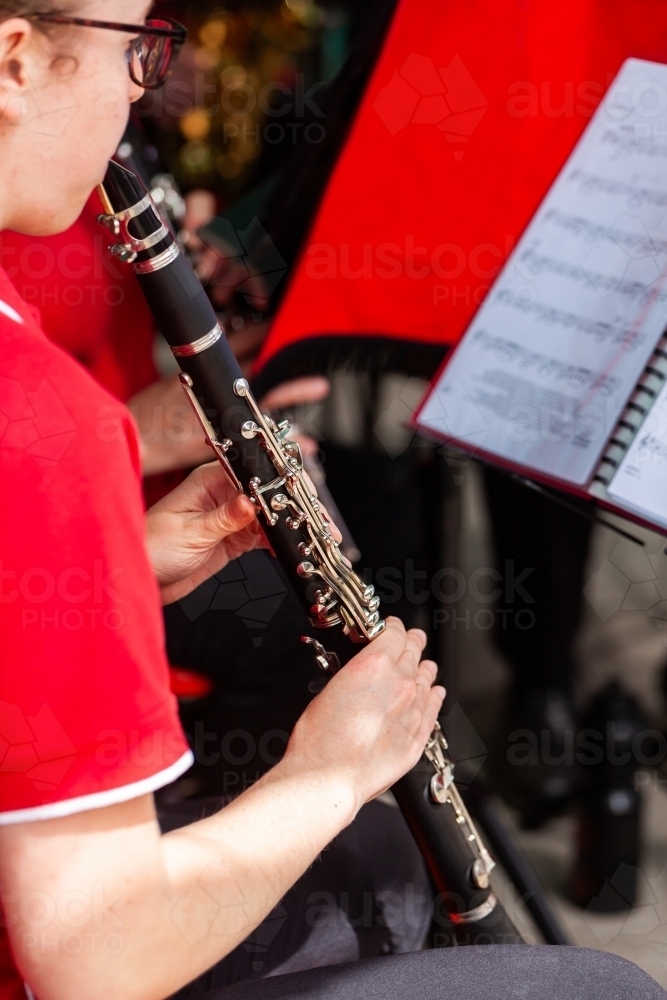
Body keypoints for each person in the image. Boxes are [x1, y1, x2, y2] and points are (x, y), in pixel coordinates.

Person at [0, 6, 662, 1000]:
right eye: (138, 46)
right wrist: (329, 769)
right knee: (603, 986)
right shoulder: (41, 417)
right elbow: (95, 958)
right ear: (16, 60)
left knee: (378, 863)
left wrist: (120, 564)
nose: (146, 85)